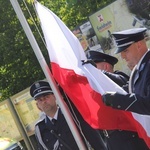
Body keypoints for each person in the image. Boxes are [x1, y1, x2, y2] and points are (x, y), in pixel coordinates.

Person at [86, 50, 149, 150]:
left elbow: (123, 88)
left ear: (106, 67)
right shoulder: (96, 88)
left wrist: (98, 74)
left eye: (94, 67)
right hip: (112, 139)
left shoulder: (119, 77)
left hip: (129, 137)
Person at [102, 27, 150, 149]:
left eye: (126, 51)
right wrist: (97, 74)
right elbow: (128, 90)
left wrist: (118, 100)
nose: (123, 56)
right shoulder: (139, 69)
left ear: (139, 45)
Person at [30, 80, 108, 150]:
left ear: (55, 97)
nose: (44, 101)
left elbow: (93, 137)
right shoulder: (39, 128)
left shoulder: (72, 115)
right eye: (40, 100)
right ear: (37, 105)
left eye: (46, 97)